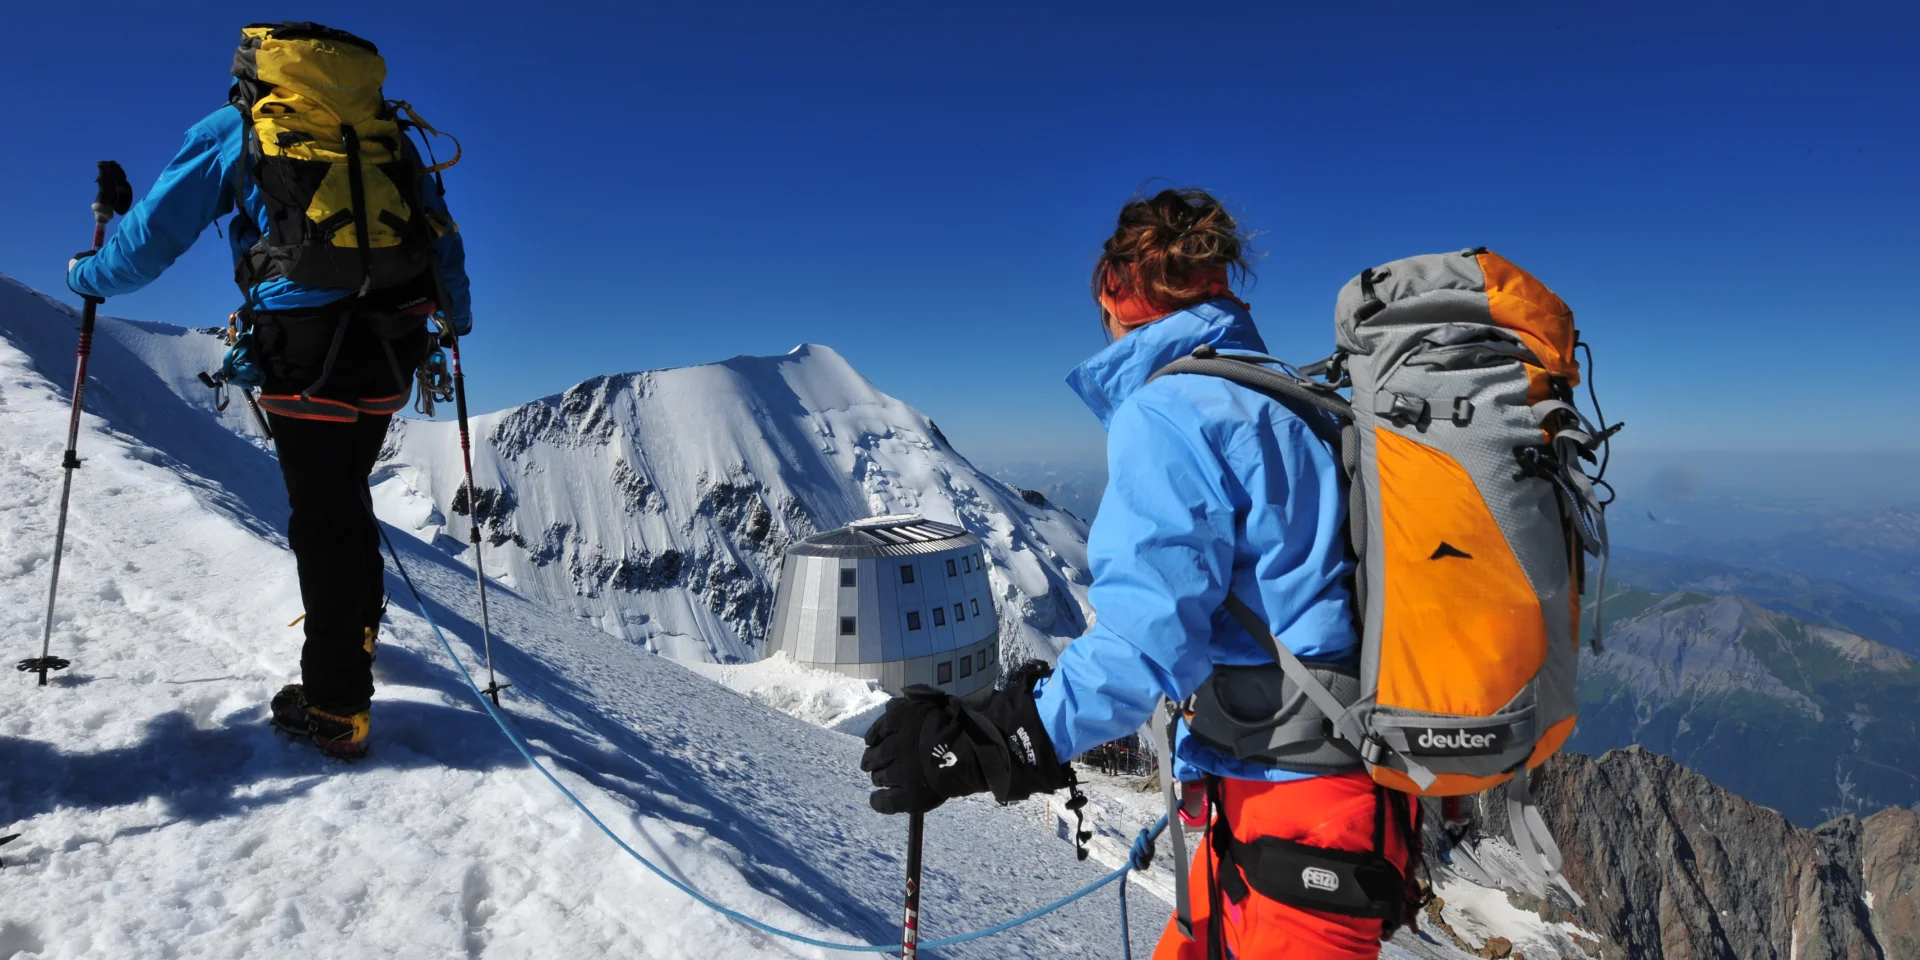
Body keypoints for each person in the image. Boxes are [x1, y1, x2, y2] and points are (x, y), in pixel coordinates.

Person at [859, 189, 1416, 958]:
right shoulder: (1288, 398)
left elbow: (1145, 648)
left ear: (1113, 295)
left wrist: (990, 742)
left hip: (1293, 813)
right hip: (1322, 802)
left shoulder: (1170, 413)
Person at [65, 21, 472, 759]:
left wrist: (84, 276)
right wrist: (456, 319)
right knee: (346, 493)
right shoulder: (386, 128)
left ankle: (335, 703)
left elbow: (153, 234)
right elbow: (441, 232)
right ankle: (356, 634)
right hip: (394, 339)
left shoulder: (240, 124)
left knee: (323, 513)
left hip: (301, 344)